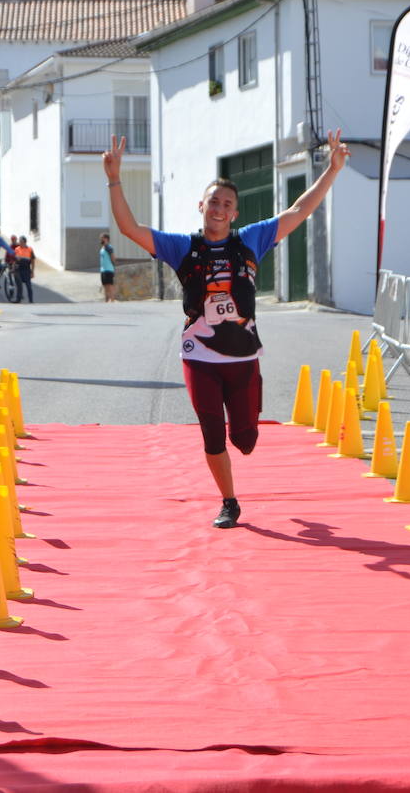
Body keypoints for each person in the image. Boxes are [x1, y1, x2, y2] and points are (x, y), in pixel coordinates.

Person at [103, 130, 350, 529]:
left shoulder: (251, 240)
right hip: (199, 355)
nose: (219, 208)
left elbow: (300, 210)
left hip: (243, 355)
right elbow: (130, 227)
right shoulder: (182, 246)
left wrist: (332, 171)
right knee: (212, 434)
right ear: (201, 206)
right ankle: (229, 502)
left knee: (246, 441)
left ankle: (246, 422)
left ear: (235, 213)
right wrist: (114, 178)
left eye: (227, 204)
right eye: (213, 202)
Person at [13, 234, 35, 303]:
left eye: (21, 242)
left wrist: (32, 271)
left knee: (29, 286)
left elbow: (33, 261)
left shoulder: (30, 249)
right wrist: (13, 268)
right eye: (19, 241)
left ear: (25, 242)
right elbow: (14, 260)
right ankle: (18, 299)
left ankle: (31, 300)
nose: (20, 243)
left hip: (26, 270)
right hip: (18, 269)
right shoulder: (17, 249)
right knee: (19, 286)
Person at [99, 233, 117, 302]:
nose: (101, 239)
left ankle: (112, 301)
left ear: (106, 239)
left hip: (109, 269)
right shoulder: (102, 248)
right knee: (105, 286)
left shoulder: (109, 248)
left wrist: (113, 266)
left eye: (102, 238)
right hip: (103, 270)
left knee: (110, 286)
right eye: (100, 238)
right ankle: (106, 301)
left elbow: (113, 258)